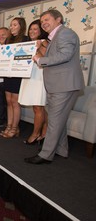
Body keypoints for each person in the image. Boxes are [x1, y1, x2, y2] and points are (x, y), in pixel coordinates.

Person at [25, 9, 85, 164]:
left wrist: (41, 60)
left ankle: (45, 154)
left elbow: (65, 55)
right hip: (58, 85)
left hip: (64, 85)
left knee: (54, 120)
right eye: (42, 21)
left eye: (47, 19)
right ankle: (61, 149)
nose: (43, 23)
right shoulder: (54, 37)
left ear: (58, 19)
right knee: (57, 119)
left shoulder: (65, 33)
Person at [18, 19, 49, 145]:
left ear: (41, 31)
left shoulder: (44, 42)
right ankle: (45, 131)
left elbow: (44, 60)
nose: (32, 31)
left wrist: (37, 48)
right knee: (38, 108)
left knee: (38, 107)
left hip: (39, 77)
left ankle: (35, 134)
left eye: (35, 29)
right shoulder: (28, 43)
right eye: (30, 29)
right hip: (29, 76)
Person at [0, 17, 29, 138]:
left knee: (15, 102)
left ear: (21, 26)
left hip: (18, 75)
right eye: (11, 25)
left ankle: (15, 128)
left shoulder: (26, 39)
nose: (12, 27)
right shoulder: (8, 40)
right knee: (8, 101)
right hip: (8, 74)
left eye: (15, 25)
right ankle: (9, 125)